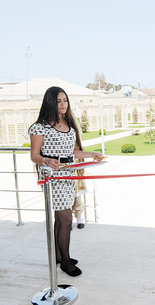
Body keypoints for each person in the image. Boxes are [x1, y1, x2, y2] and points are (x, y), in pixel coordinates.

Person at [29, 86, 103, 277]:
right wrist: (46, 160)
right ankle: (66, 262)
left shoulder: (68, 123)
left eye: (65, 100)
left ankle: (59, 256)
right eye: (58, 101)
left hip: (68, 176)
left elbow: (72, 152)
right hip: (53, 178)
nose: (63, 104)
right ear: (50, 103)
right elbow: (34, 155)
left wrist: (91, 154)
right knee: (66, 220)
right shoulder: (40, 126)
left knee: (61, 220)